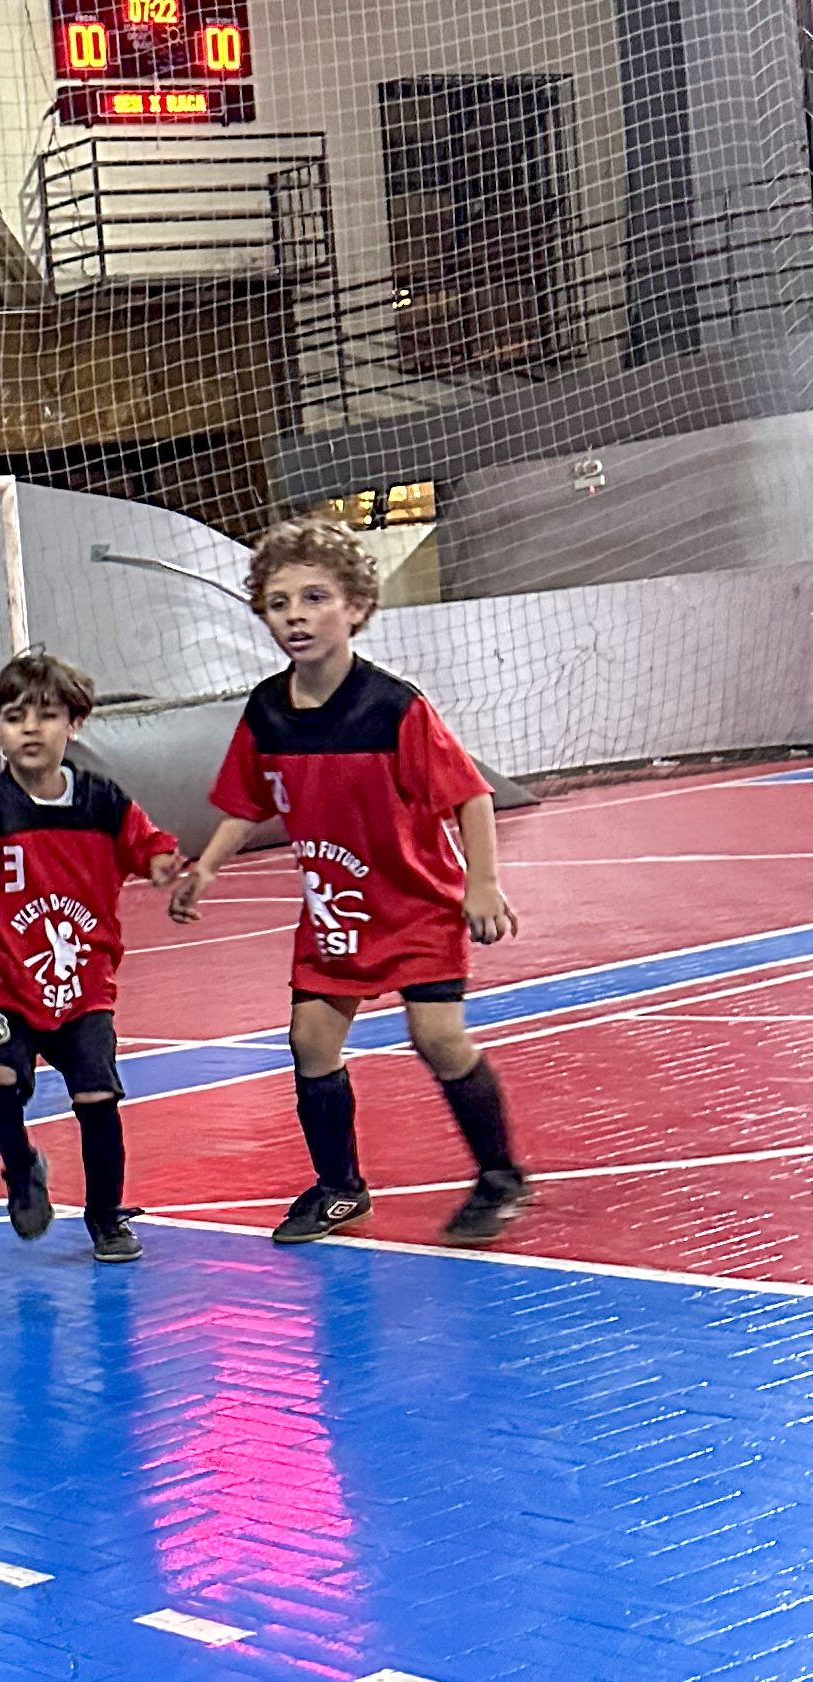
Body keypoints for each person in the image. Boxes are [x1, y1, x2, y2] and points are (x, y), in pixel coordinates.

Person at [167, 517, 529, 1246]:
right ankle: (340, 1189)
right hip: (335, 911)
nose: (295, 616)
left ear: (356, 606)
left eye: (314, 598)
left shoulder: (393, 708)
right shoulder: (268, 711)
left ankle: (500, 1177)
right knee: (310, 1040)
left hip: (415, 908)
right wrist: (204, 865)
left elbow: (470, 796)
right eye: (278, 603)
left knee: (437, 1037)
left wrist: (482, 883)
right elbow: (247, 801)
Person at [0, 650, 179, 1265]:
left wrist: (169, 868)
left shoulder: (103, 803)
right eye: (15, 718)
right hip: (8, 986)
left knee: (97, 1098)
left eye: (46, 715)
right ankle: (21, 1168)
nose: (31, 729)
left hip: (86, 987)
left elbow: (151, 847)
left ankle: (106, 1216)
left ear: (75, 723)